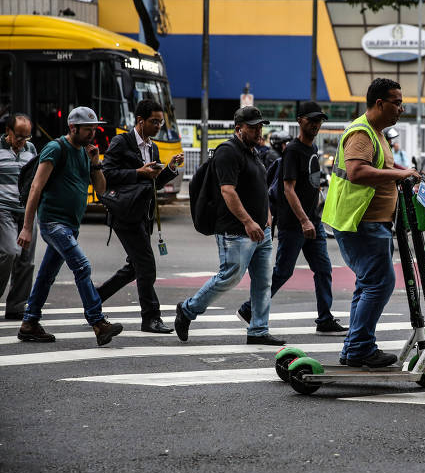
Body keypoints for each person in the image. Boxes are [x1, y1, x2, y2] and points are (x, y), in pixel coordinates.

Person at [321, 78, 418, 367]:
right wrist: (399, 176)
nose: (401, 108)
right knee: (380, 283)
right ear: (379, 103)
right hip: (361, 221)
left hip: (372, 222)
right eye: (397, 102)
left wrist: (406, 171)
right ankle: (361, 348)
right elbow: (357, 172)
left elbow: (384, 166)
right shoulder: (362, 133)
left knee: (368, 284)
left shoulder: (377, 133)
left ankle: (354, 347)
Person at [175, 106, 285, 346]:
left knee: (263, 281)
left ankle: (258, 330)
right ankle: (187, 310)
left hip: (260, 231)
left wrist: (266, 216)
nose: (258, 131)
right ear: (238, 129)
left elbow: (259, 188)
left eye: (260, 126)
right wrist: (248, 222)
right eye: (253, 127)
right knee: (229, 276)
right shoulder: (228, 151)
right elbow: (228, 191)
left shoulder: (252, 151)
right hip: (237, 230)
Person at [236, 101, 347, 336]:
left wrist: (313, 216)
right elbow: (288, 189)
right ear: (300, 121)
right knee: (283, 271)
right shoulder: (293, 151)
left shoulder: (313, 149)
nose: (316, 124)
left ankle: (325, 319)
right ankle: (249, 309)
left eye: (319, 120)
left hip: (311, 221)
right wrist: (304, 220)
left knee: (324, 269)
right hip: (294, 224)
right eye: (311, 120)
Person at [16, 107, 124, 346]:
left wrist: (95, 162)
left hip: (70, 225)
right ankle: (98, 322)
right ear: (73, 127)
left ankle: (29, 322)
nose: (93, 134)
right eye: (88, 129)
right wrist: (27, 226)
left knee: (46, 276)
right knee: (82, 266)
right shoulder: (56, 148)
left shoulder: (85, 153)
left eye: (95, 129)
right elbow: (36, 187)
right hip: (53, 223)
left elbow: (101, 190)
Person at [96, 99, 184, 333]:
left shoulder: (153, 148)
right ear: (140, 121)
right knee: (146, 266)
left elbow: (151, 183)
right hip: (125, 214)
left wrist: (170, 170)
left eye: (160, 122)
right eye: (154, 122)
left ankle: (93, 300)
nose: (158, 127)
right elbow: (107, 175)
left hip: (142, 215)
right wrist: (138, 172)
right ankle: (150, 317)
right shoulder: (121, 142)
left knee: (134, 268)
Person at [0, 114, 37, 320]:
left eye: (27, 137)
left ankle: (16, 306)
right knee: (9, 252)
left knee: (26, 260)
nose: (22, 141)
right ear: (8, 131)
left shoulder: (31, 150)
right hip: (3, 208)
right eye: (19, 136)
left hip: (27, 210)